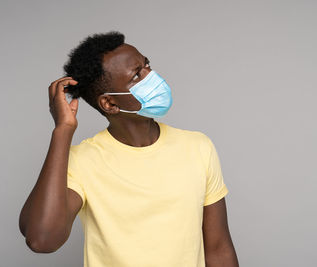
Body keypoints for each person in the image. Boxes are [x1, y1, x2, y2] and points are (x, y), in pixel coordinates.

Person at [19, 31, 239, 267]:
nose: (152, 76)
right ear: (110, 103)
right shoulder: (82, 161)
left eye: (147, 65)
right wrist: (62, 131)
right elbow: (42, 239)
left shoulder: (198, 147)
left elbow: (218, 248)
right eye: (137, 75)